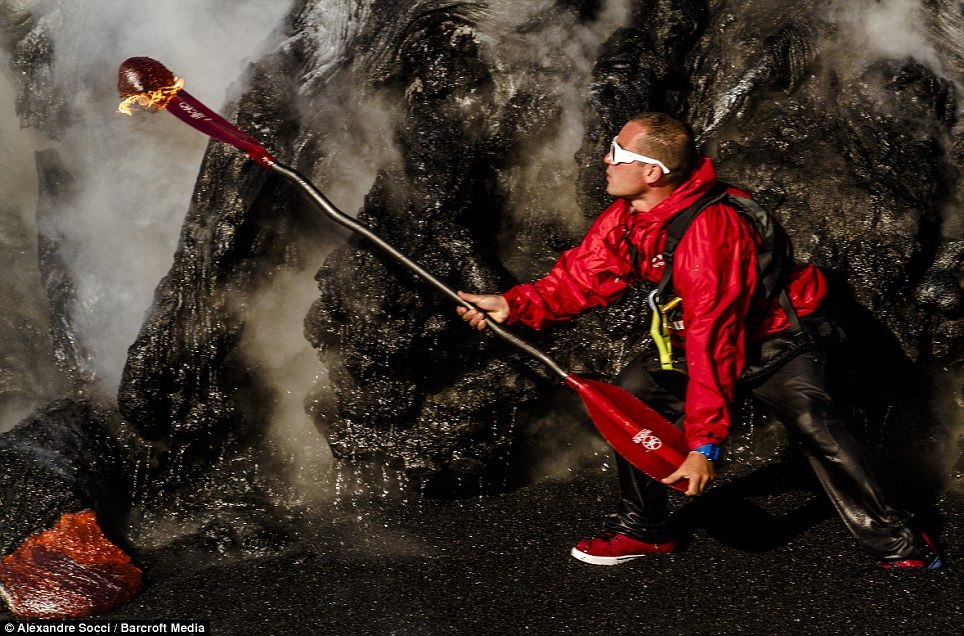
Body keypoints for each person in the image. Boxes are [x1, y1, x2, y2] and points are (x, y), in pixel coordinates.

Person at [456, 112, 942, 569]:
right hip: (705, 335)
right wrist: (513, 305)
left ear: (652, 171)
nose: (606, 159)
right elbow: (587, 274)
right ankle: (645, 531)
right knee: (632, 397)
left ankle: (902, 543)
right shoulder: (633, 214)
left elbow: (717, 337)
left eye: (617, 153)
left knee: (815, 424)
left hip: (776, 338)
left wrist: (705, 443)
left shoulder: (709, 234)